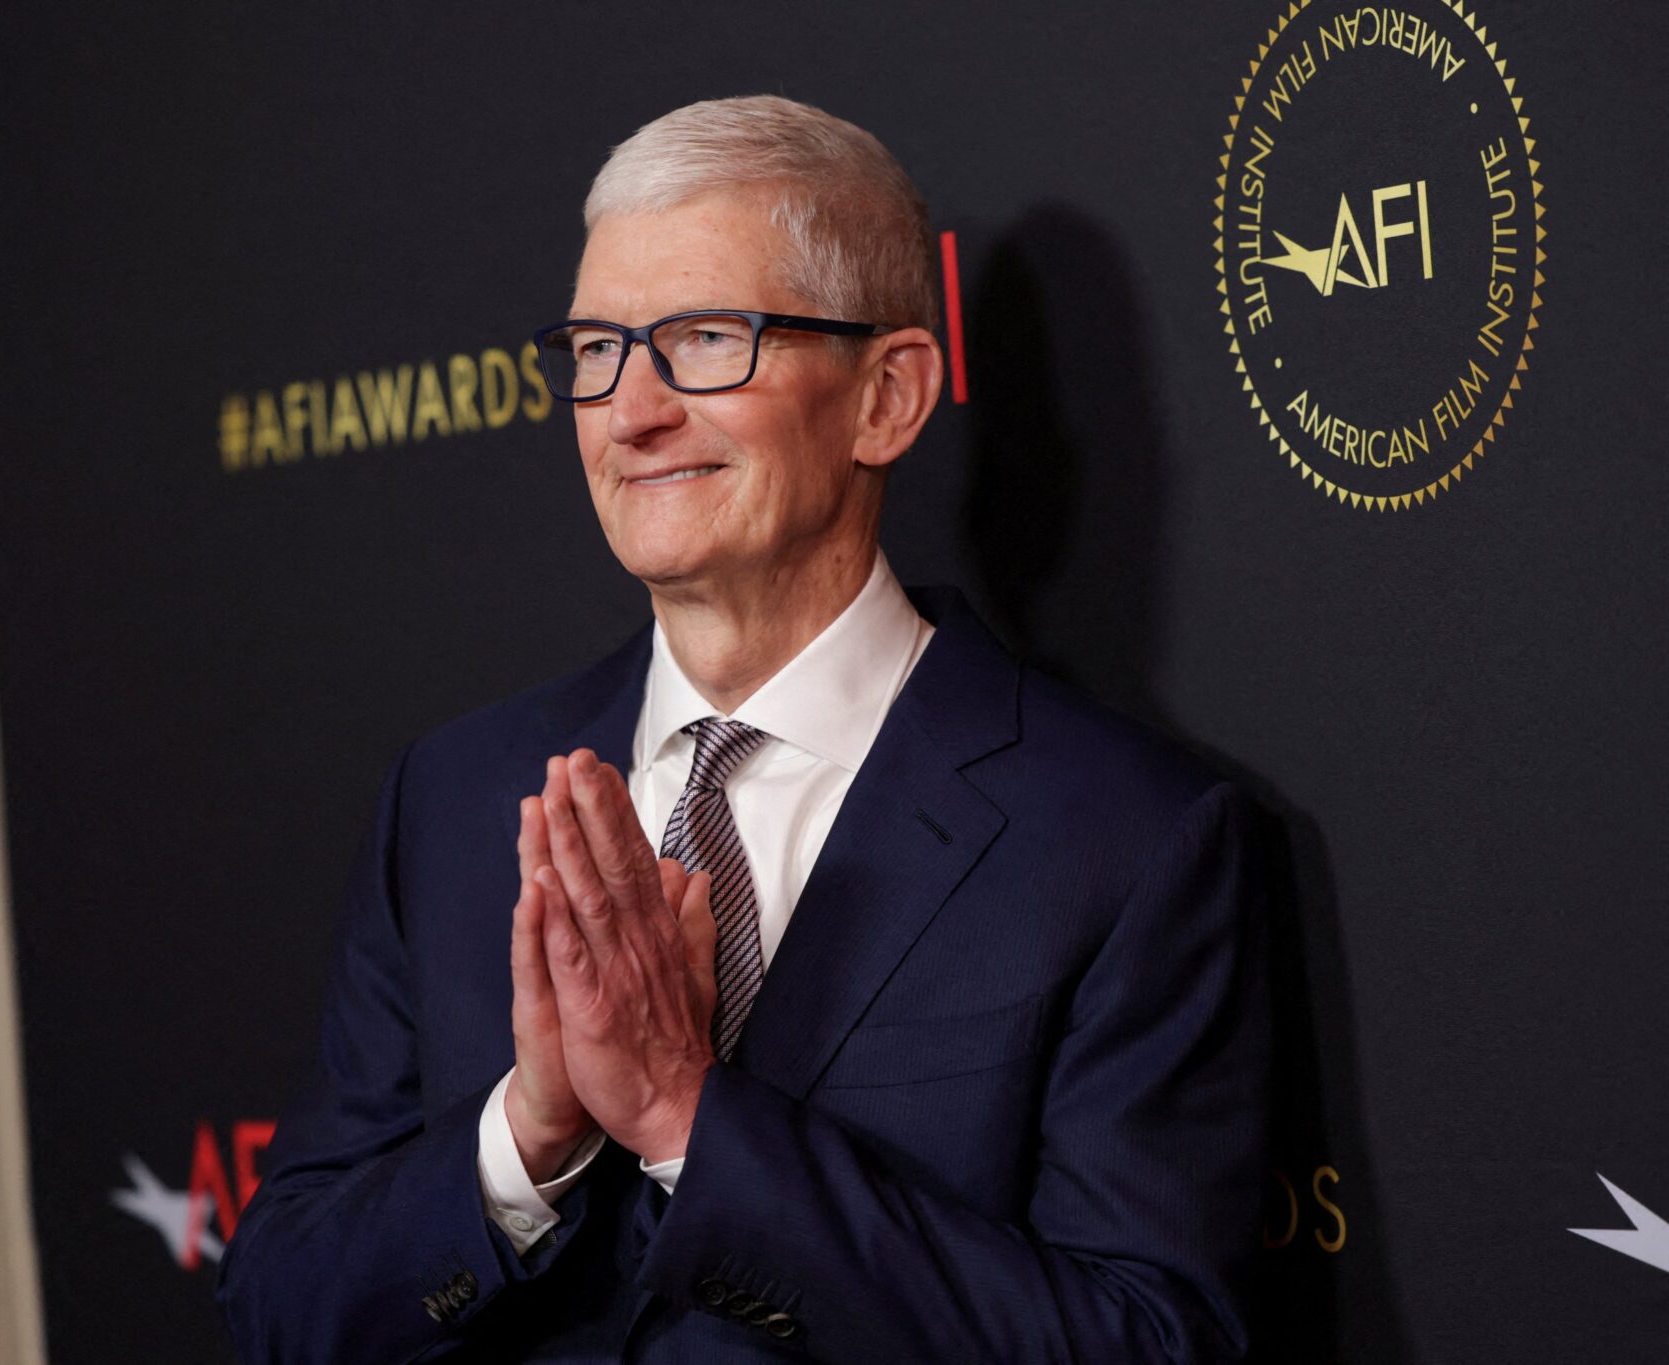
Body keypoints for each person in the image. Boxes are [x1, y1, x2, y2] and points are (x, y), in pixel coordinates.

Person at [217, 94, 1267, 1363]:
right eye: (596, 350)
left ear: (886, 396)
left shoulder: (1123, 840)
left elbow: (1144, 1344)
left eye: (704, 339)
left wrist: (682, 1116)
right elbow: (280, 1312)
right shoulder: (451, 798)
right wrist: (523, 1138)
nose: (631, 412)